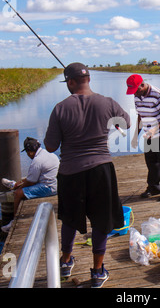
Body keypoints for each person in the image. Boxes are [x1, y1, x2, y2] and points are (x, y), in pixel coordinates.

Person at [44, 62, 130, 288]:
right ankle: (98, 271)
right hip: (101, 170)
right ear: (88, 79)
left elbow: (51, 146)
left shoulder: (60, 108)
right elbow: (127, 123)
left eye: (67, 83)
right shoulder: (108, 102)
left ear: (71, 82)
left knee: (70, 219)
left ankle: (65, 262)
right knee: (101, 221)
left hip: (71, 172)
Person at [126, 74, 160, 201]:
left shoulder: (158, 94)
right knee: (152, 163)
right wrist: (135, 135)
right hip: (148, 134)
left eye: (136, 91)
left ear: (142, 85)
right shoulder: (137, 95)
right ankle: (153, 188)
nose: (135, 94)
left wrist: (155, 129)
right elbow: (140, 116)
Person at [1, 137, 59, 233]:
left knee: (18, 193)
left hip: (49, 188)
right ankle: (13, 184)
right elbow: (31, 179)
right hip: (55, 185)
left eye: (27, 153)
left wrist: (19, 188)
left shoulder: (37, 161)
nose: (28, 155)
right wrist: (20, 183)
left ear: (30, 152)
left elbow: (31, 182)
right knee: (27, 180)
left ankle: (14, 222)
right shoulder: (49, 154)